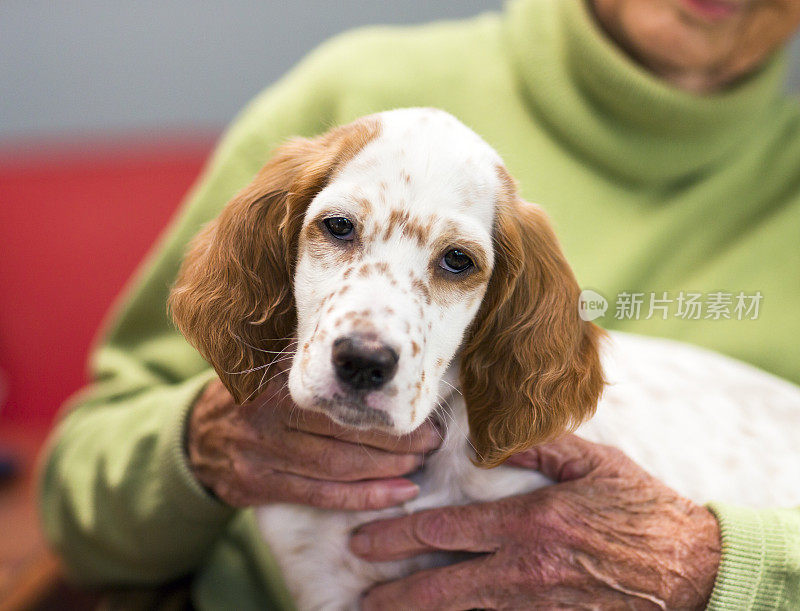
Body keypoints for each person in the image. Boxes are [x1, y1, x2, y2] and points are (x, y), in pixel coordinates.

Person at [40, 0, 800, 608]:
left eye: (457, 261)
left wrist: (722, 568)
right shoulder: (348, 87)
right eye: (337, 228)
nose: (372, 336)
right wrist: (200, 442)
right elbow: (79, 493)